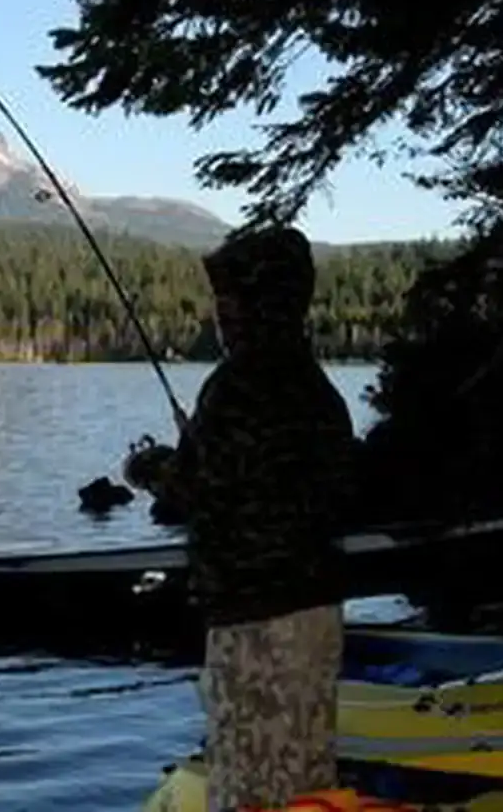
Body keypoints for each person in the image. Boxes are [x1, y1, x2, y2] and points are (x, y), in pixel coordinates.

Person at [157, 225, 356, 812]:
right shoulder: (318, 391)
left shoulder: (237, 386)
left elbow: (197, 492)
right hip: (316, 613)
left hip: (255, 625)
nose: (221, 316)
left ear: (254, 304)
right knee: (306, 785)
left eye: (228, 301)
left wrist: (153, 471)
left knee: (249, 789)